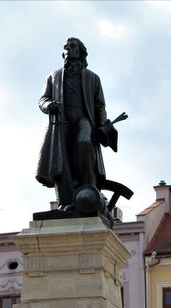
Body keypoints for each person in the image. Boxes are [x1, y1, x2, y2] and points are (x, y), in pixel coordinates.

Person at [36, 38, 118, 214]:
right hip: (60, 121)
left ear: (81, 53)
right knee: (60, 160)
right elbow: (43, 99)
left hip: (83, 118)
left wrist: (103, 124)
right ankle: (64, 202)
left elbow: (99, 106)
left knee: (83, 142)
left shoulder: (93, 78)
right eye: (66, 48)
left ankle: (88, 195)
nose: (68, 51)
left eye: (72, 47)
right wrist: (49, 105)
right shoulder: (53, 76)